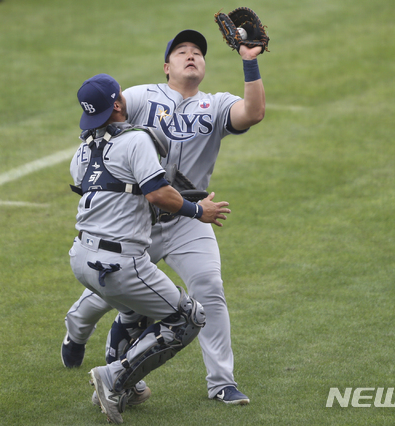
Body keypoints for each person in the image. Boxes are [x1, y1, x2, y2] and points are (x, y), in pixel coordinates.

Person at [62, 29, 265, 405]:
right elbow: (101, 127)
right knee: (108, 294)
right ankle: (75, 330)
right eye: (181, 51)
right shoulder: (141, 96)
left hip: (190, 219)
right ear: (166, 66)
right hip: (140, 220)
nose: (191, 55)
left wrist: (249, 61)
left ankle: (221, 382)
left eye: (197, 53)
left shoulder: (217, 104)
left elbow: (253, 113)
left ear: (203, 66)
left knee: (209, 288)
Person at [69, 73, 231, 424]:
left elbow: (112, 195)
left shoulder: (82, 151)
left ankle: (127, 386)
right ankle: (114, 378)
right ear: (117, 104)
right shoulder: (136, 139)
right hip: (119, 263)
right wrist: (198, 211)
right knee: (189, 317)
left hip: (81, 258)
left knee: (133, 312)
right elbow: (157, 193)